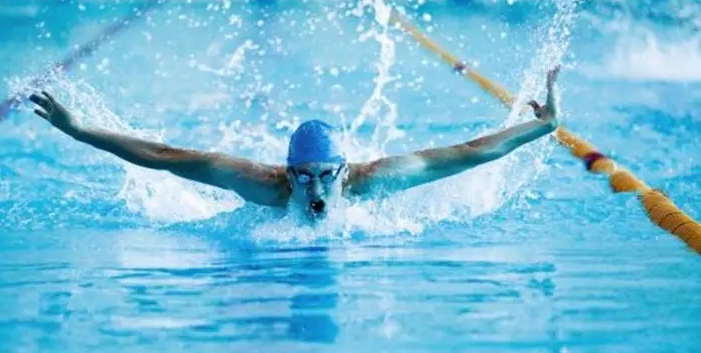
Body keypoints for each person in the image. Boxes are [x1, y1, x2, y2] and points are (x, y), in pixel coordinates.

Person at [29, 67, 561, 220]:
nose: (315, 191)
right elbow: (168, 159)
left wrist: (541, 126)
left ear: (343, 169)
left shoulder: (371, 180)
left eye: (326, 174)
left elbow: (469, 153)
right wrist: (80, 131)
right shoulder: (263, 187)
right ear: (286, 174)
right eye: (303, 177)